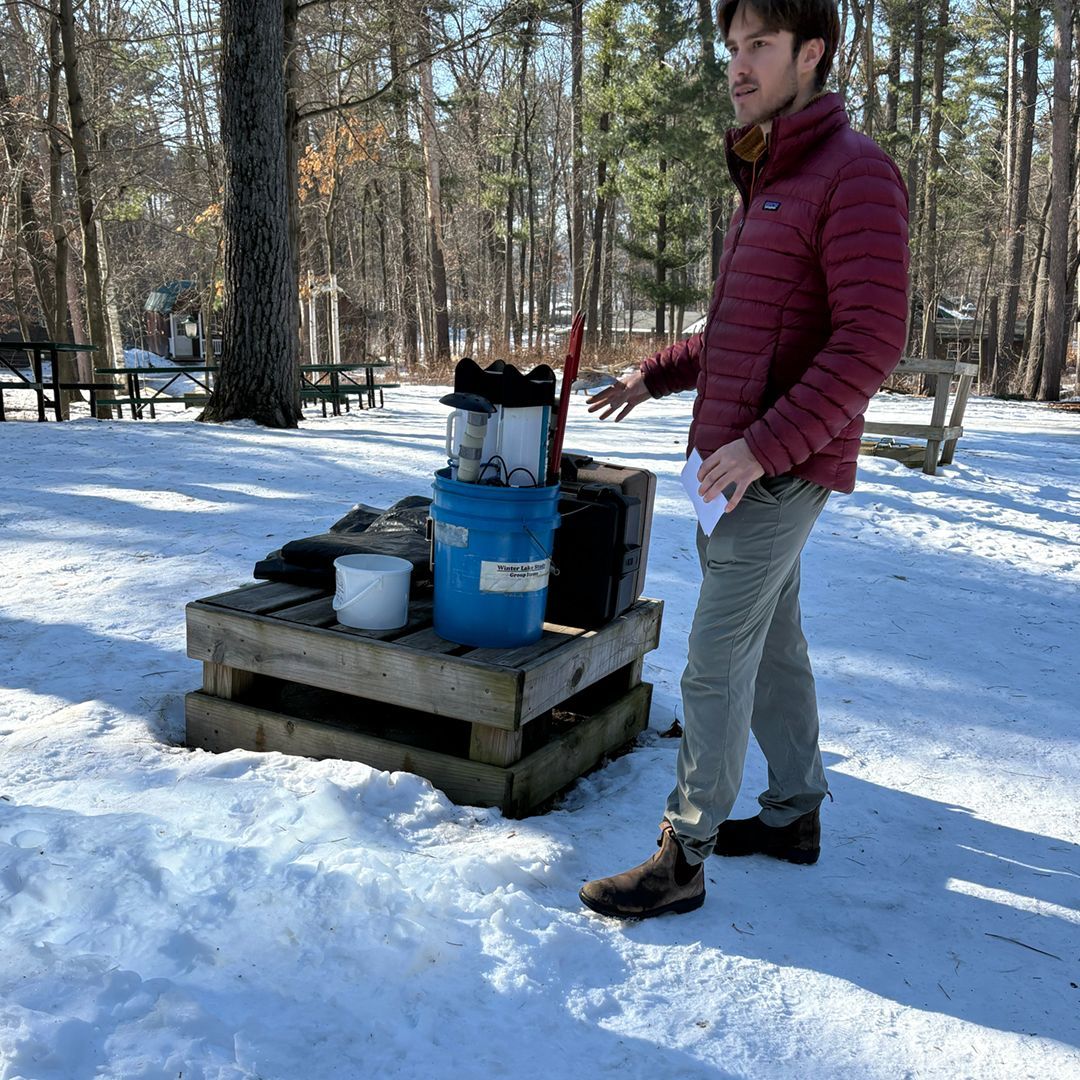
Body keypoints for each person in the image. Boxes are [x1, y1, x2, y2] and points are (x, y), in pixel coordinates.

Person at [579, 0, 910, 920]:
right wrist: (657, 377)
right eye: (732, 47)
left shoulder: (855, 174)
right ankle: (796, 813)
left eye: (759, 45)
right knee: (775, 646)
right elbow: (743, 333)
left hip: (776, 467)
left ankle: (684, 852)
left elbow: (873, 338)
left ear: (813, 53)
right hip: (736, 464)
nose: (738, 65)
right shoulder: (773, 176)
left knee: (715, 657)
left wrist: (763, 449)